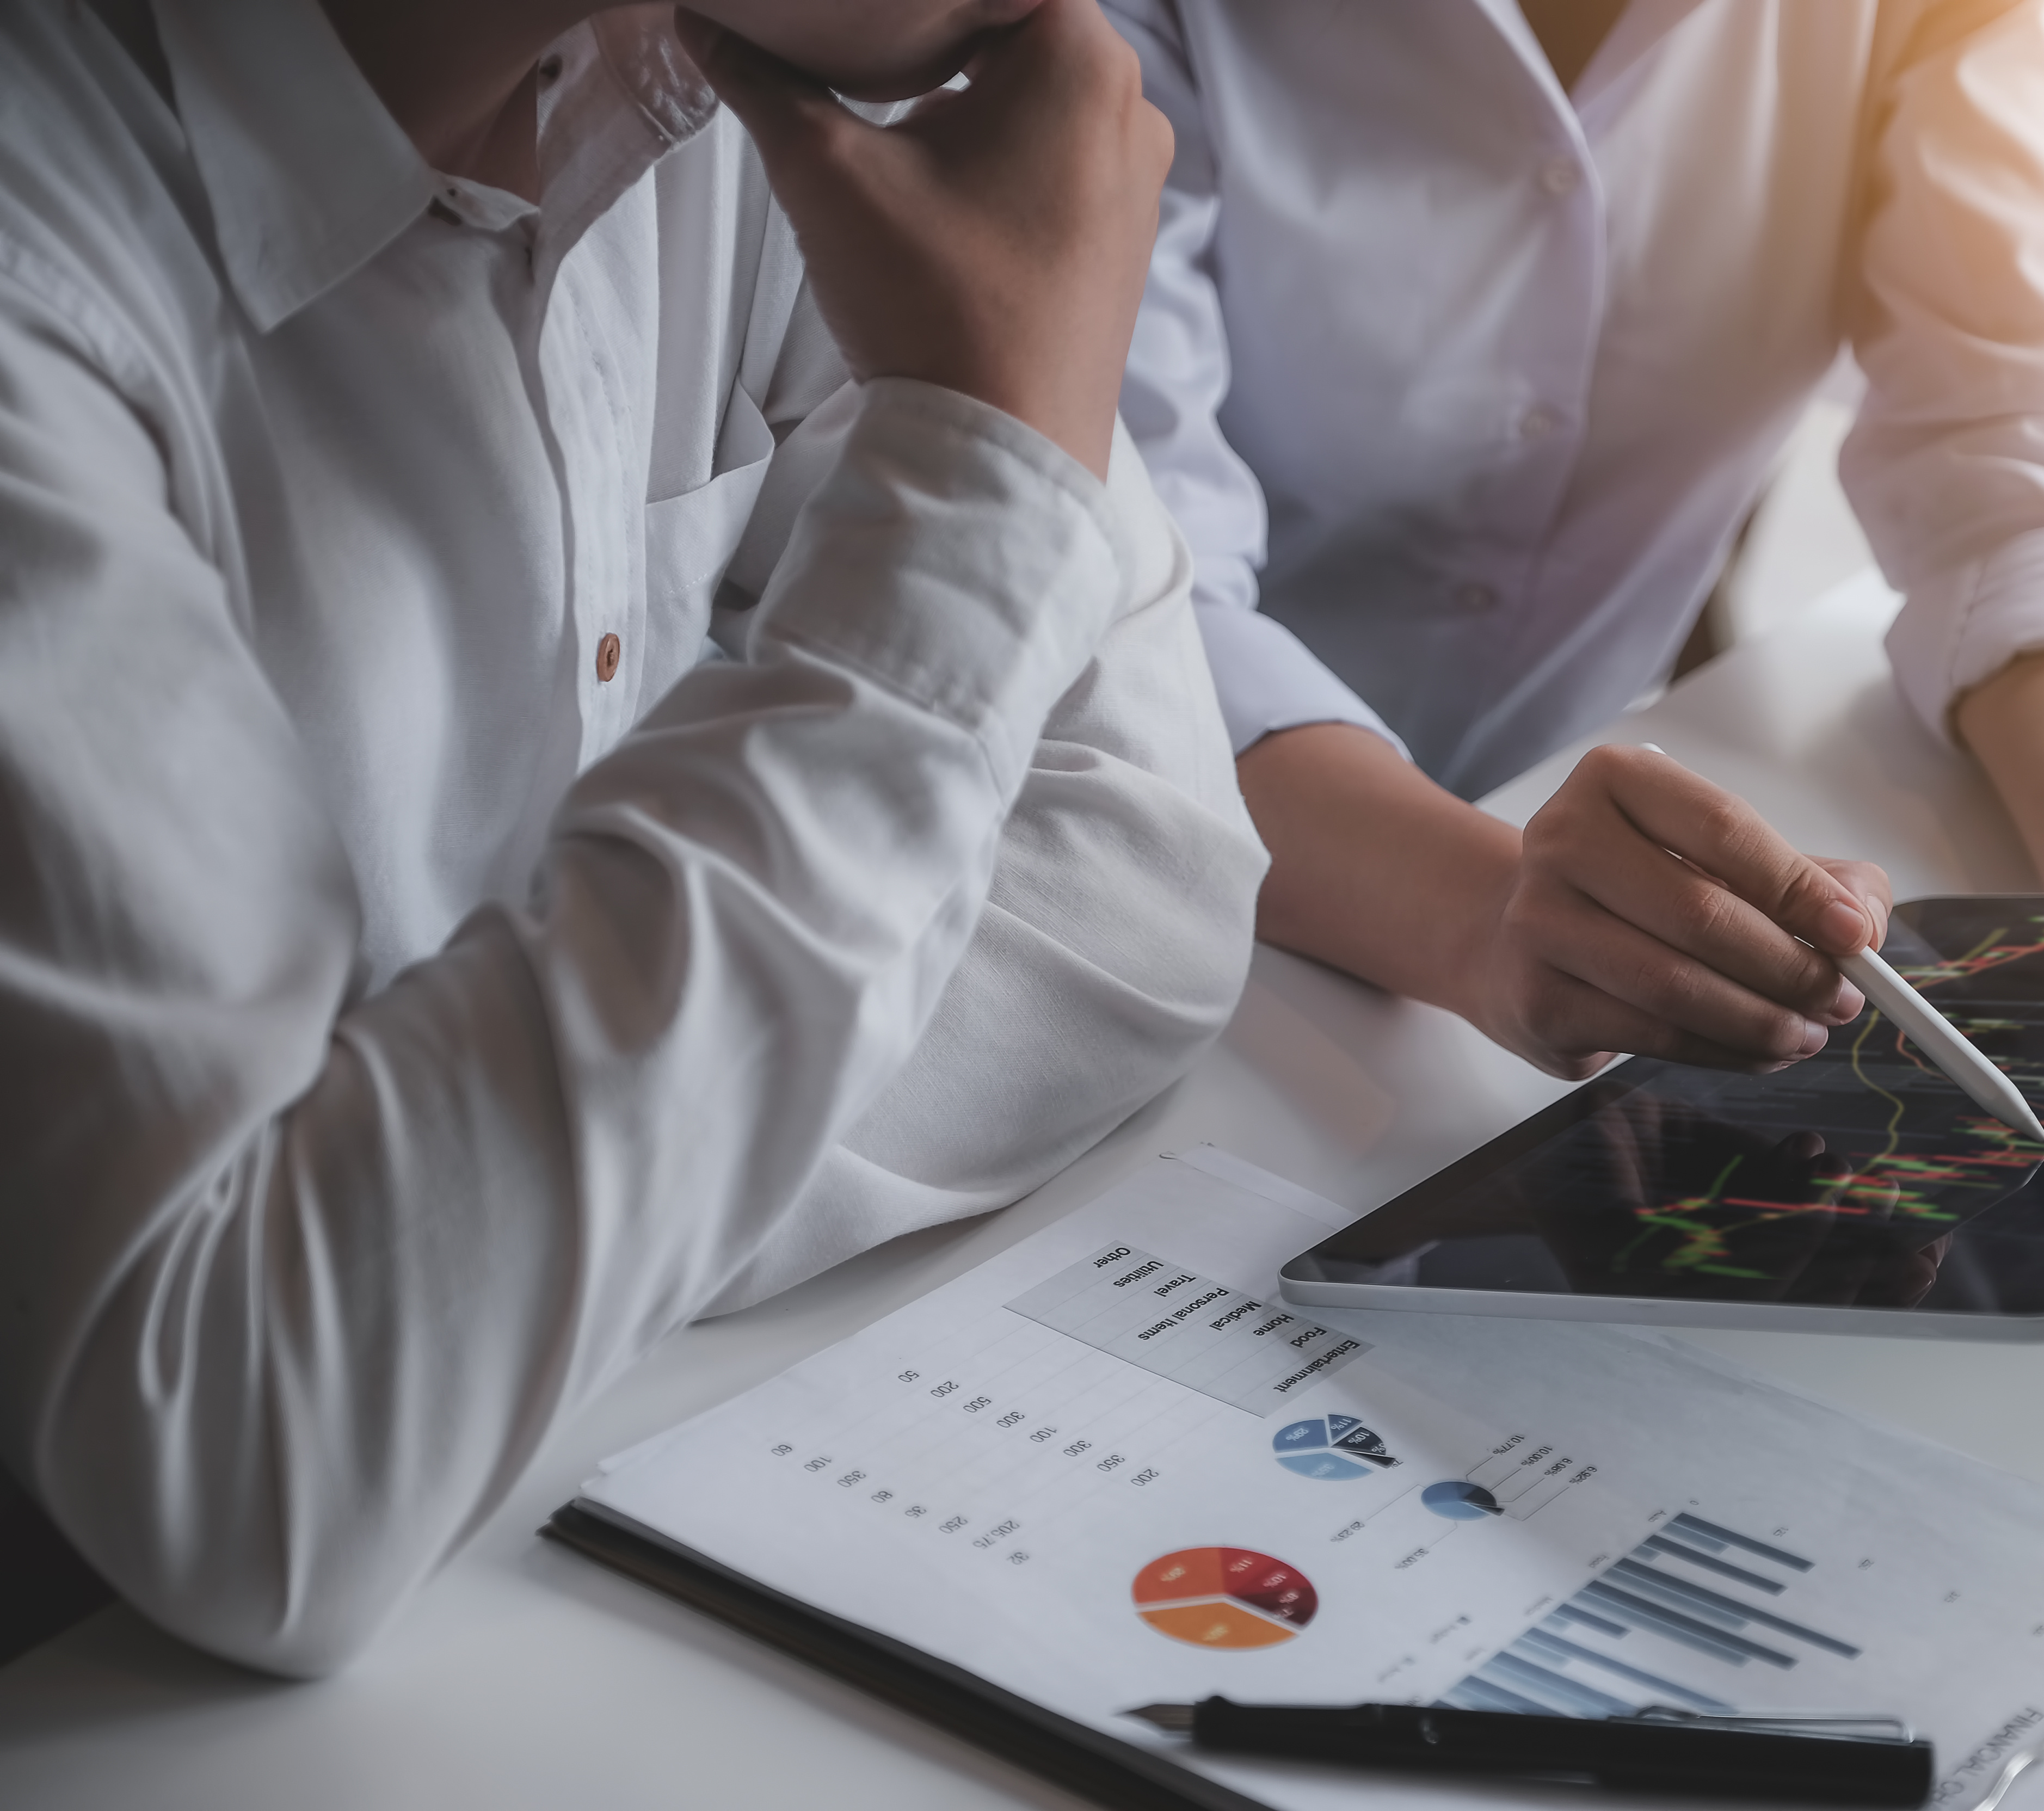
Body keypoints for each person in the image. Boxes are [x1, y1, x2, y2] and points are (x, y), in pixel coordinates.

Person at [0, 0, 1264, 1673]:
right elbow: (255, 1465)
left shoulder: (737, 76)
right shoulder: (43, 294)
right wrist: (985, 490)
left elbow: (1152, 875)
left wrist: (477, 1259)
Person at [1099, 0, 2044, 1081]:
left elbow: (2015, 437)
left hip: (1518, 922)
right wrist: (1483, 911)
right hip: (1081, 884)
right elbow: (1119, 599)